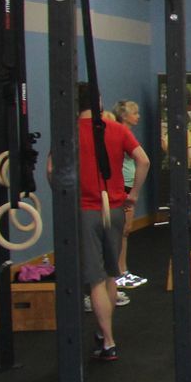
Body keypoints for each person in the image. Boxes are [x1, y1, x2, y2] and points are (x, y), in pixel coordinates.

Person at [65, 85, 147, 359]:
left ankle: (108, 341)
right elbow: (143, 160)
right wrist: (132, 196)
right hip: (113, 208)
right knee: (111, 275)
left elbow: (53, 170)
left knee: (96, 280)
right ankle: (103, 331)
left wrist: (64, 194)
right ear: (99, 102)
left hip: (85, 210)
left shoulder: (70, 132)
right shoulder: (116, 129)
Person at [110, 100, 147, 290]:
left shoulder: (125, 134)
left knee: (124, 231)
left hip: (128, 186)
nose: (138, 116)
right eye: (135, 113)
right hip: (123, 187)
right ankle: (119, 272)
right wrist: (132, 192)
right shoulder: (119, 133)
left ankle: (122, 270)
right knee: (122, 231)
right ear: (124, 115)